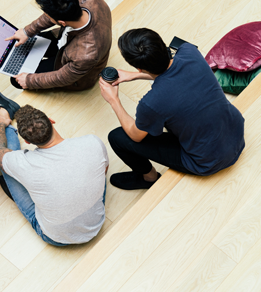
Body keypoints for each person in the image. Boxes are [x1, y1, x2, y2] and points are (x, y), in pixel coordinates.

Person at [100, 28, 245, 190]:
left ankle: (149, 178)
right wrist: (134, 75)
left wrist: (114, 100)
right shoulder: (190, 52)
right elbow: (173, 70)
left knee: (117, 137)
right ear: (163, 46)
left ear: (140, 67)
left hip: (208, 160)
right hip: (236, 132)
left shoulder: (151, 103)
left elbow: (136, 136)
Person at [0, 104, 109, 246]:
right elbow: (104, 171)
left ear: (27, 141)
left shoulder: (25, 164)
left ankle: (6, 119)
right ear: (51, 120)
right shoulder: (92, 142)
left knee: (6, 166)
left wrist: (0, 125)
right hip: (96, 221)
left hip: (57, 238)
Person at [6, 0, 112, 91]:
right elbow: (56, 13)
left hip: (73, 66)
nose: (46, 16)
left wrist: (29, 80)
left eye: (48, 16)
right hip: (66, 41)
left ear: (62, 23)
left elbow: (62, 78)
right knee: (22, 44)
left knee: (16, 80)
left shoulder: (86, 55)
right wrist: (27, 31)